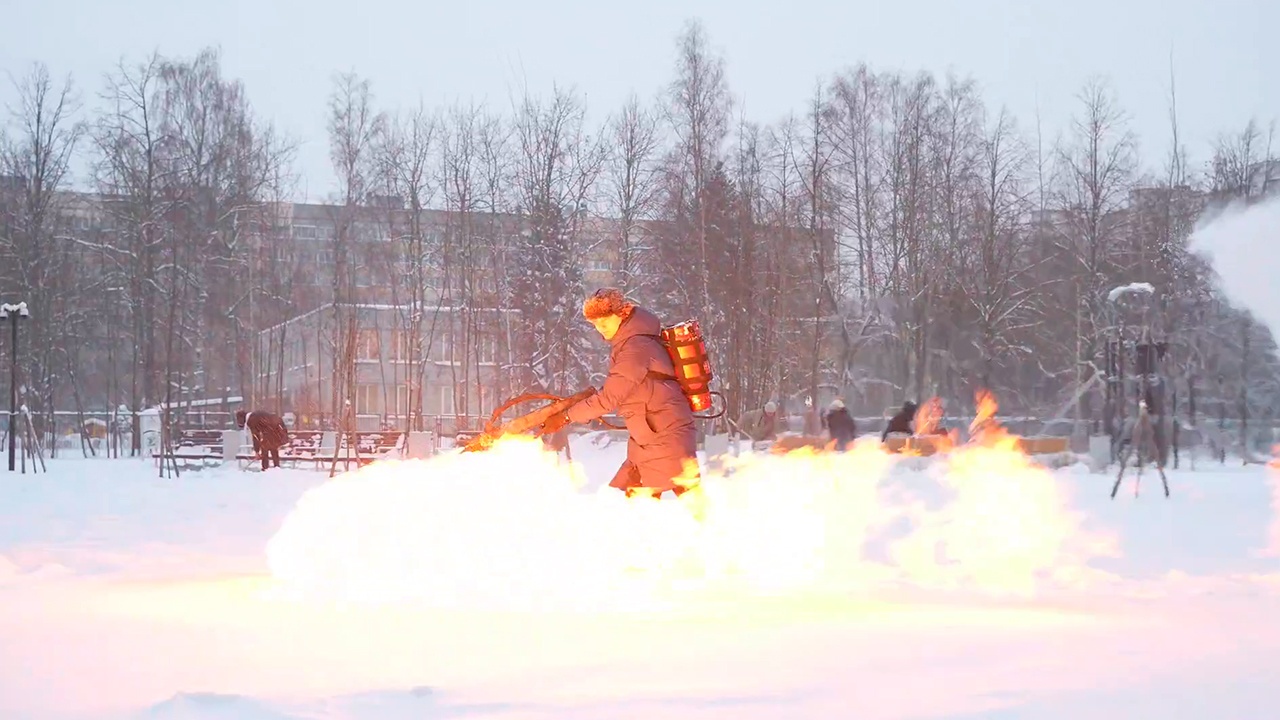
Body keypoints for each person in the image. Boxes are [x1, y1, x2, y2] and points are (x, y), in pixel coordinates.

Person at [542, 288, 700, 499]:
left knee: (681, 501)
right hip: (650, 434)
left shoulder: (635, 347)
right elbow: (618, 389)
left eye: (604, 322)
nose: (600, 330)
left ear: (621, 314)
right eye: (595, 325)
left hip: (663, 433)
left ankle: (714, 529)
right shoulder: (632, 343)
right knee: (638, 499)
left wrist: (567, 416)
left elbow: (609, 398)